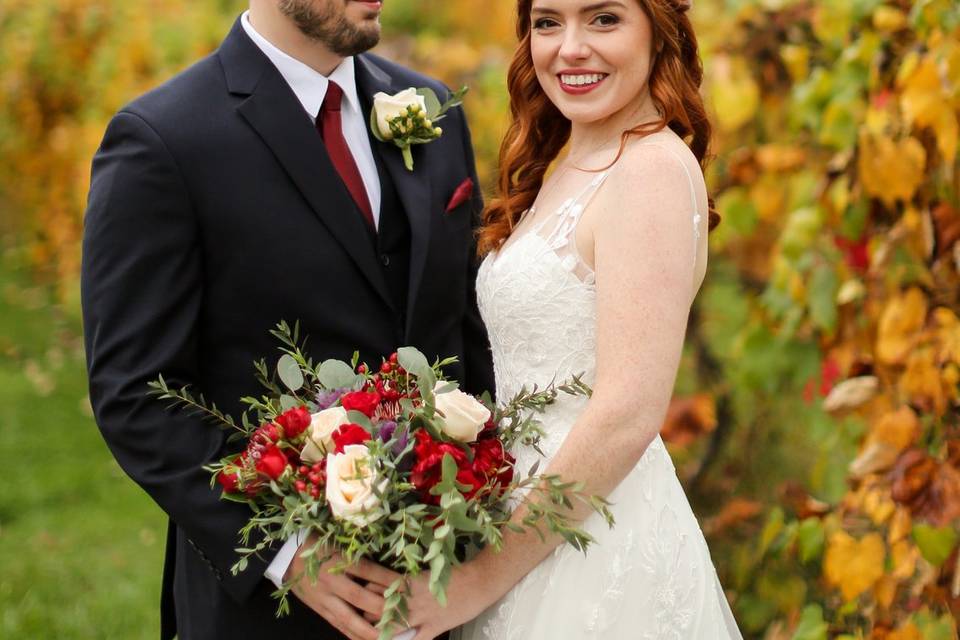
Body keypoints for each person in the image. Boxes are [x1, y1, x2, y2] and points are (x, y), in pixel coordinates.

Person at [80, 0, 494, 638]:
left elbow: (467, 331)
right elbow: (135, 393)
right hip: (266, 611)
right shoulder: (163, 139)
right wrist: (290, 554)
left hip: (448, 584)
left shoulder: (430, 105)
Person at [384, 0, 744, 637]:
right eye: (548, 22)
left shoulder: (651, 170)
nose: (570, 48)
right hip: (528, 525)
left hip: (592, 542)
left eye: (603, 19)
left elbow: (628, 410)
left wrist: (475, 583)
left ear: (658, 34)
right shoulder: (571, 163)